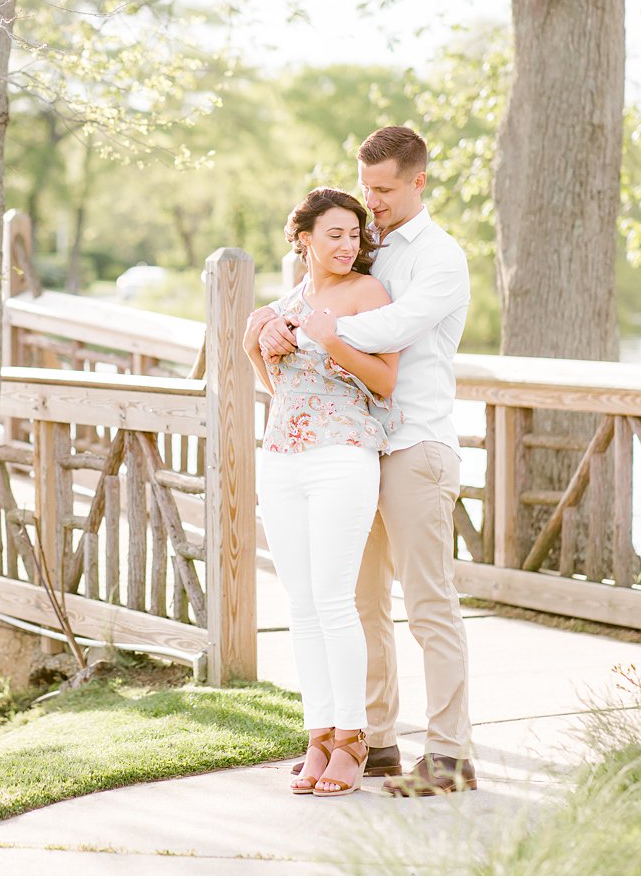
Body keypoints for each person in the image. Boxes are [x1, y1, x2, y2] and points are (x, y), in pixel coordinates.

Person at [259, 126, 476, 796]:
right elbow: (323, 288)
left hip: (415, 445)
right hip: (356, 450)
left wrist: (306, 329)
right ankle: (375, 739)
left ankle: (450, 754)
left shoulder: (441, 257)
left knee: (429, 603)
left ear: (418, 182)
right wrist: (276, 323)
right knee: (360, 603)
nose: (372, 201)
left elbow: (394, 328)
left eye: (383, 189)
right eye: (366, 187)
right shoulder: (366, 246)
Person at [242, 187, 402, 797]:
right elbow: (281, 389)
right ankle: (318, 735)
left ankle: (353, 739)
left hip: (343, 455)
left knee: (334, 600)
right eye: (334, 234)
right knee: (301, 604)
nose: (346, 245)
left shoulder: (368, 294)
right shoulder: (286, 303)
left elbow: (385, 382)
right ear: (304, 238)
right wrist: (258, 343)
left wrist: (331, 339)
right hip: (282, 458)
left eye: (354, 235)